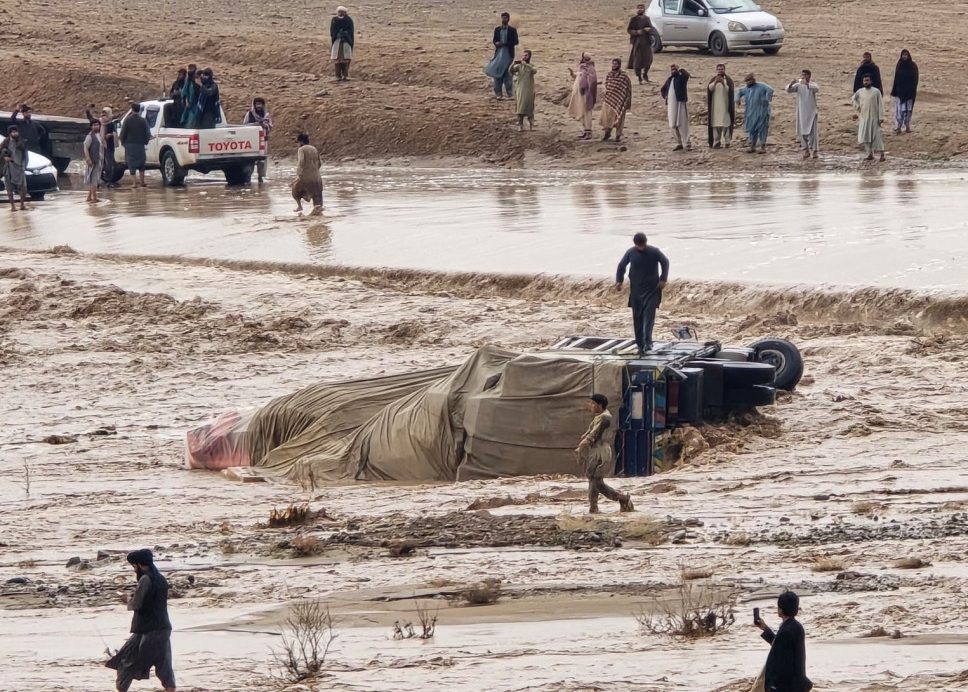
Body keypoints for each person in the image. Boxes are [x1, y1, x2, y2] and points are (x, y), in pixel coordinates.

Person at [106, 549, 176, 692]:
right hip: (164, 628)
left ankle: (122, 689)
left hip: (147, 630)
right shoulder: (161, 579)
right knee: (164, 664)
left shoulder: (145, 579)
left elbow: (136, 604)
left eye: (133, 566)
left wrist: (127, 600)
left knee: (126, 660)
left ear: (138, 565)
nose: (134, 570)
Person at [575, 394, 633, 514]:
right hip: (596, 451)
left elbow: (594, 434)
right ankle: (594, 507)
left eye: (593, 404)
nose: (591, 406)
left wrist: (584, 444)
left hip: (601, 452)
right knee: (592, 478)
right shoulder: (599, 416)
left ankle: (621, 498)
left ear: (599, 405)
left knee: (596, 481)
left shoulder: (605, 418)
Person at [615, 232, 670, 354]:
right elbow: (621, 266)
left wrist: (663, 279)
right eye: (639, 245)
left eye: (643, 244)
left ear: (646, 242)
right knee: (638, 318)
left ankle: (648, 344)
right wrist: (619, 280)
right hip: (636, 292)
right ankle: (640, 345)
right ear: (635, 244)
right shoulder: (631, 252)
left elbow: (665, 262)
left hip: (652, 291)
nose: (642, 247)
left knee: (648, 318)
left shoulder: (654, 251)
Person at [753, 591, 812, 692]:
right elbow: (780, 646)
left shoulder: (786, 631)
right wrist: (765, 628)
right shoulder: (796, 626)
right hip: (796, 684)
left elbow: (780, 662)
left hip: (786, 686)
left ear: (780, 610)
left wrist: (772, 686)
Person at [785, 70, 819, 158]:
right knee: (802, 132)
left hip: (811, 112)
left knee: (813, 133)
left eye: (805, 75)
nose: (803, 76)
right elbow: (788, 90)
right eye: (802, 75)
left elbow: (816, 89)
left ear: (809, 76)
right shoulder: (798, 85)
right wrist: (791, 83)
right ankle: (806, 150)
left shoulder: (813, 84)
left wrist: (807, 84)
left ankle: (814, 151)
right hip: (801, 112)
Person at [736, 73, 774, 154]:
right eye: (746, 81)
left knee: (762, 129)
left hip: (762, 112)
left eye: (749, 81)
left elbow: (770, 90)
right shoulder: (746, 88)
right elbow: (739, 91)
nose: (748, 83)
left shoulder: (761, 86)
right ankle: (752, 146)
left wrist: (767, 99)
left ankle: (763, 147)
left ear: (753, 80)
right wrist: (737, 99)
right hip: (751, 112)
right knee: (752, 129)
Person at [852, 73, 885, 162]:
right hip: (864, 117)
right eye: (864, 80)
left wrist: (881, 117)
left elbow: (880, 105)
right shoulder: (860, 91)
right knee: (865, 135)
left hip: (874, 117)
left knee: (876, 136)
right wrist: (858, 106)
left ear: (871, 81)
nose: (865, 82)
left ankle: (882, 154)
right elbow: (854, 99)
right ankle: (870, 153)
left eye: (867, 80)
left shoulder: (876, 92)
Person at [119, 102, 151, 188]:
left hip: (129, 145)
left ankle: (134, 183)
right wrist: (145, 142)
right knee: (141, 164)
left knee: (131, 163)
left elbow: (123, 133)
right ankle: (142, 182)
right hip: (140, 145)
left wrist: (123, 143)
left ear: (132, 110)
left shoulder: (127, 120)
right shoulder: (143, 120)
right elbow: (148, 133)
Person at [567, 53, 598, 140]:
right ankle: (585, 131)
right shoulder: (582, 67)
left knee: (587, 113)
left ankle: (589, 132)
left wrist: (585, 88)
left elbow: (592, 81)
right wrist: (571, 73)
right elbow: (577, 76)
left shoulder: (590, 69)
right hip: (580, 94)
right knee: (582, 112)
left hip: (586, 94)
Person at [487, 12, 518, 99]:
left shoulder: (512, 30)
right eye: (502, 18)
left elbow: (516, 41)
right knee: (497, 73)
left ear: (508, 19)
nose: (504, 19)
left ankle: (510, 94)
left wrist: (505, 44)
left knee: (507, 73)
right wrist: (497, 44)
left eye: (505, 18)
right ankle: (498, 94)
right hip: (498, 55)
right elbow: (494, 40)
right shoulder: (497, 29)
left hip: (508, 55)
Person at [601, 58, 632, 143]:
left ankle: (618, 135)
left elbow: (628, 89)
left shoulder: (624, 76)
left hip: (620, 100)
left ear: (619, 65)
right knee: (608, 117)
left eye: (615, 64)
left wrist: (627, 100)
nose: (614, 65)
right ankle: (607, 133)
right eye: (613, 64)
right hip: (609, 100)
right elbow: (606, 85)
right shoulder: (609, 75)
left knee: (620, 118)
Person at [86, 105, 118, 186]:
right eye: (103, 113)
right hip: (99, 147)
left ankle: (109, 181)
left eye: (105, 114)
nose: (103, 116)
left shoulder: (112, 123)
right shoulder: (99, 122)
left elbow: (115, 133)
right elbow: (91, 119)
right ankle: (98, 181)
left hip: (109, 146)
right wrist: (87, 111)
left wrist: (110, 135)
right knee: (100, 164)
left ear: (109, 114)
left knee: (109, 165)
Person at [292, 133, 324, 215]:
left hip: (306, 178)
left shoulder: (301, 150)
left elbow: (301, 162)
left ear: (301, 142)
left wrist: (298, 175)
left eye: (298, 143)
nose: (297, 145)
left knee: (295, 191)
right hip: (317, 178)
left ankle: (299, 206)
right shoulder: (314, 148)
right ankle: (318, 217)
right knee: (317, 200)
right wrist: (314, 171)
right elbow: (320, 163)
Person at [661, 64, 690, 151]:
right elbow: (663, 90)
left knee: (682, 124)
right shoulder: (669, 80)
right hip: (671, 105)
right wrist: (665, 95)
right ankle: (679, 143)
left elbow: (686, 74)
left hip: (680, 103)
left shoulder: (681, 78)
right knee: (672, 124)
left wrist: (680, 69)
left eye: (674, 69)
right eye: (672, 70)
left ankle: (687, 143)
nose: (673, 71)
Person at [242, 97, 273, 182]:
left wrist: (264, 125)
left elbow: (270, 126)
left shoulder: (266, 115)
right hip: (252, 140)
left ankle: (261, 176)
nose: (258, 106)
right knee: (251, 158)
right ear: (254, 105)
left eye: (260, 104)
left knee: (262, 158)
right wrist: (255, 124)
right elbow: (244, 126)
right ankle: (248, 176)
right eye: (257, 104)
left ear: (263, 105)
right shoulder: (249, 114)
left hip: (263, 140)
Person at [706, 63, 735, 149]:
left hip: (725, 107)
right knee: (716, 125)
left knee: (726, 125)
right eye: (719, 69)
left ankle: (727, 142)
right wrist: (715, 83)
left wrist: (723, 83)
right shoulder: (713, 80)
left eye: (721, 69)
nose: (720, 71)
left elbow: (729, 91)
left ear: (724, 70)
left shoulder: (728, 80)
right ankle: (716, 142)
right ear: (716, 70)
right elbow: (710, 89)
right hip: (715, 108)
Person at [0, 125, 29, 211]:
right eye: (13, 132)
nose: (15, 133)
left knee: (23, 187)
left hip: (19, 167)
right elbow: (1, 153)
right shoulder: (5, 142)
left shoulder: (22, 142)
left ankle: (22, 205)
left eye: (16, 131)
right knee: (9, 188)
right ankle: (13, 206)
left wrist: (24, 166)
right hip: (8, 168)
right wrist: (4, 157)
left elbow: (25, 155)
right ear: (10, 133)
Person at [890, 49, 919, 134]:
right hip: (900, 92)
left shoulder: (913, 66)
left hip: (910, 92)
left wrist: (912, 90)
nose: (904, 56)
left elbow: (916, 79)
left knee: (908, 110)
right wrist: (895, 90)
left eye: (906, 55)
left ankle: (907, 126)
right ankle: (898, 127)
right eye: (903, 55)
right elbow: (896, 79)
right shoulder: (899, 65)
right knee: (900, 110)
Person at [509, 50, 537, 131]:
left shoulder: (531, 66)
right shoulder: (519, 66)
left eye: (526, 56)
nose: (524, 57)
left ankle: (531, 125)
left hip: (529, 90)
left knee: (530, 108)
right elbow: (511, 71)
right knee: (520, 107)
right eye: (523, 55)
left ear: (529, 57)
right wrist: (513, 64)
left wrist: (526, 65)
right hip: (520, 89)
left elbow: (534, 71)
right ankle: (520, 125)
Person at [626, 4, 654, 84]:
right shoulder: (633, 19)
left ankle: (645, 75)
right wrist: (637, 32)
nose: (640, 9)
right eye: (638, 8)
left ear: (644, 9)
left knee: (648, 60)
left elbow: (651, 29)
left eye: (641, 8)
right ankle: (639, 78)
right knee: (637, 61)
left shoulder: (647, 18)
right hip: (637, 43)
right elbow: (629, 30)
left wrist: (649, 30)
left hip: (647, 42)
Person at [331, 6, 355, 81]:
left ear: (345, 13)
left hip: (346, 42)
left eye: (342, 12)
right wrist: (337, 34)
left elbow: (350, 31)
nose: (341, 13)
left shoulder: (348, 20)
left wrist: (345, 34)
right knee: (337, 59)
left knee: (346, 59)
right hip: (337, 42)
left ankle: (345, 75)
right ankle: (337, 76)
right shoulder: (334, 20)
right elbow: (332, 31)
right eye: (339, 12)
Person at [83, 119, 103, 203]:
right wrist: (88, 159)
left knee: (94, 179)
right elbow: (85, 148)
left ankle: (89, 197)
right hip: (93, 161)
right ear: (91, 126)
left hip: (98, 160)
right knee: (93, 180)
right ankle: (94, 198)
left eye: (97, 125)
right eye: (94, 125)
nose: (96, 126)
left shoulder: (98, 135)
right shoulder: (90, 136)